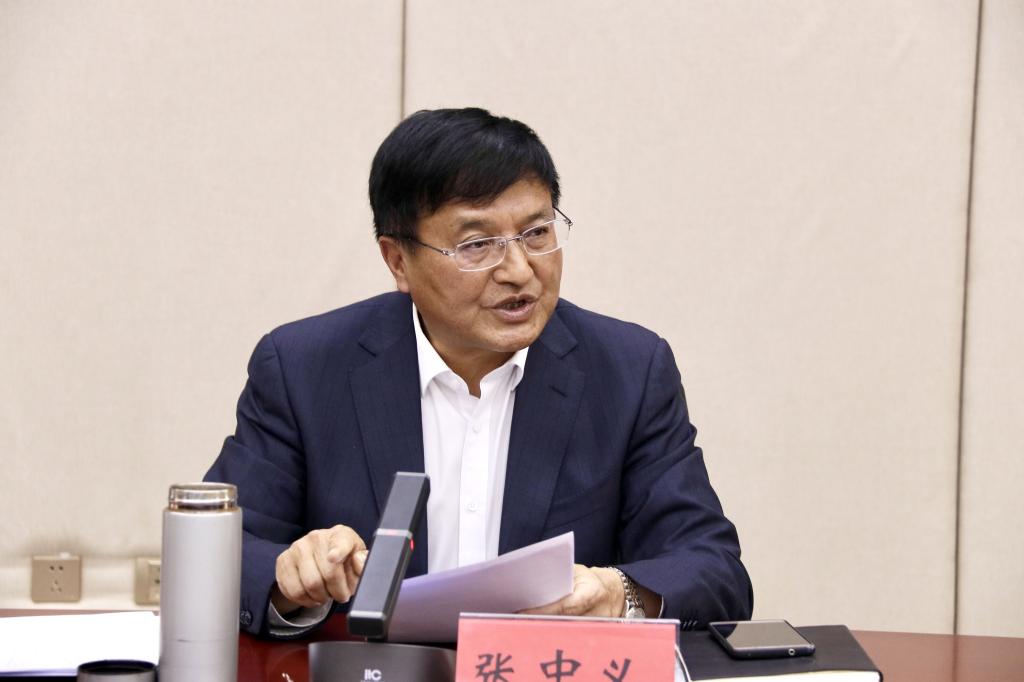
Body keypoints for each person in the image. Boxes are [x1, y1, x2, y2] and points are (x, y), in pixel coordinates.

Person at [205, 107, 753, 637]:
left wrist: (620, 593)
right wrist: (289, 577)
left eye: (536, 233)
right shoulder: (303, 368)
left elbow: (712, 567)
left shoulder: (628, 371)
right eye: (476, 244)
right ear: (398, 261)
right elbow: (219, 553)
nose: (518, 271)